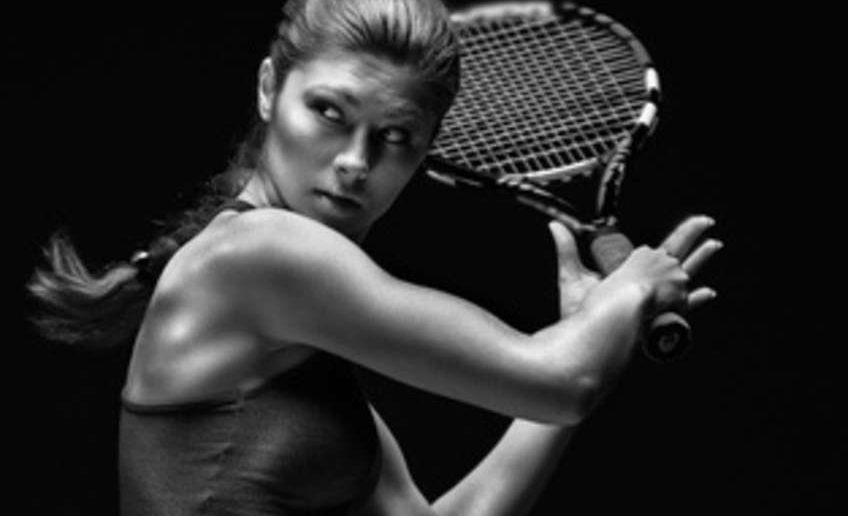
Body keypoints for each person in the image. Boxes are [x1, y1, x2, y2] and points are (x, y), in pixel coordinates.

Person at [27, 0, 722, 514]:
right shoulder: (259, 253)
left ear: (424, 150)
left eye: (395, 136)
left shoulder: (295, 336)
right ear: (269, 89)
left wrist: (585, 329)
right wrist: (628, 293)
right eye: (329, 112)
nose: (355, 162)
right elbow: (562, 382)